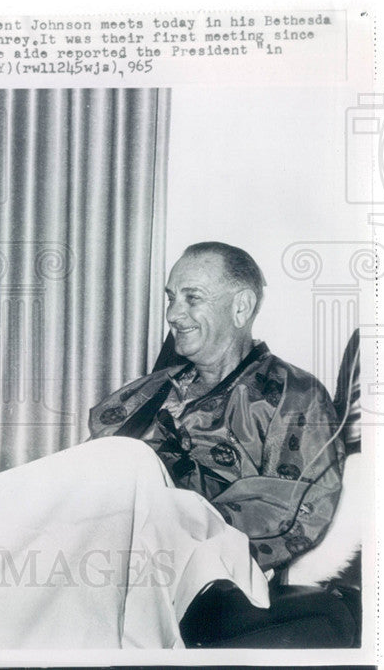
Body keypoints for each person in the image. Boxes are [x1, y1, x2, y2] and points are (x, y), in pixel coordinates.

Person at [88, 242, 344, 573]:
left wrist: (171, 520)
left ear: (241, 307)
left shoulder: (293, 395)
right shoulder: (147, 391)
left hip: (196, 569)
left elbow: (297, 509)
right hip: (102, 548)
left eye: (191, 298)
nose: (172, 315)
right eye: (171, 298)